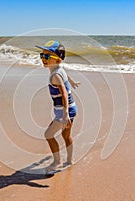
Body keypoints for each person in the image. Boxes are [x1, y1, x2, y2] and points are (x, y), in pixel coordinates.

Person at [36, 40, 80, 171]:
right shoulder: (59, 69)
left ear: (58, 60)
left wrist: (65, 114)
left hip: (64, 112)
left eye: (47, 56)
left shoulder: (55, 75)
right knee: (65, 136)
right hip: (71, 108)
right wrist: (71, 82)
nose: (43, 59)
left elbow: (64, 94)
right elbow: (65, 74)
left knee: (48, 135)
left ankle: (57, 162)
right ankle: (70, 160)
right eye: (42, 55)